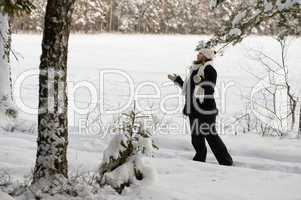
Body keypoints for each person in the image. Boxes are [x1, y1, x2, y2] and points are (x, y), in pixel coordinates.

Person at [168, 44, 233, 166]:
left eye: (200, 53)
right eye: (198, 53)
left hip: (205, 109)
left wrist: (202, 82)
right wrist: (178, 81)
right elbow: (190, 89)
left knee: (211, 136)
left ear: (206, 56)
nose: (198, 55)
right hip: (193, 108)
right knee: (196, 137)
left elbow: (210, 89)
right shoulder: (194, 69)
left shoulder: (210, 70)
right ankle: (199, 159)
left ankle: (226, 161)